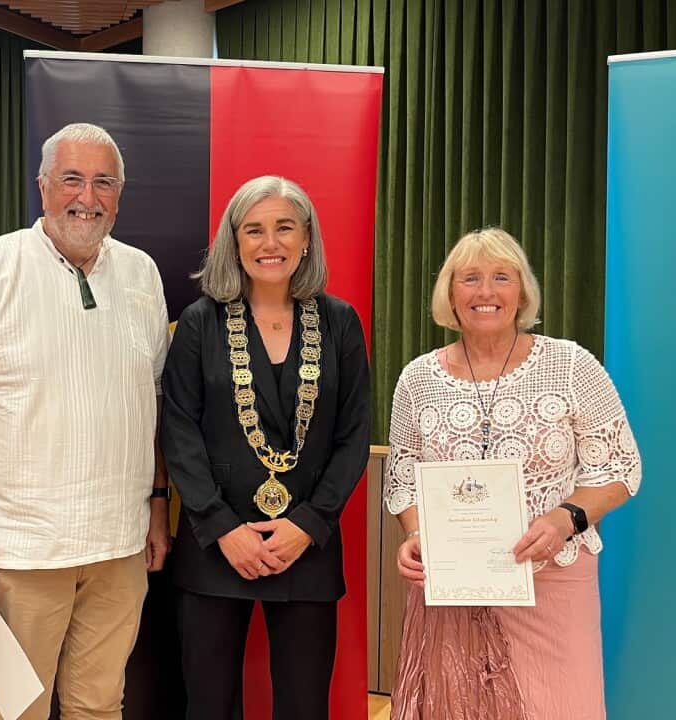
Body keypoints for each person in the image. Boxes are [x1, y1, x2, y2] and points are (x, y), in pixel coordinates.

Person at [0, 122, 171, 720]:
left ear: (120, 194)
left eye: (103, 182)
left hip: (120, 548)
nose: (87, 197)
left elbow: (153, 405)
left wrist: (158, 506)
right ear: (43, 187)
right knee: (14, 712)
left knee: (100, 707)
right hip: (19, 553)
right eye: (72, 180)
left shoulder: (143, 274)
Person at [385, 227, 642, 719]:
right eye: (471, 279)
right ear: (450, 294)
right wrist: (417, 535)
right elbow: (402, 480)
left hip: (552, 580)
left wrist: (565, 519)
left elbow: (620, 468)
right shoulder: (416, 379)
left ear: (522, 291)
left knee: (560, 706)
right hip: (454, 587)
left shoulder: (570, 365)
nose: (486, 292)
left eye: (502, 277)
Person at [160, 175, 370, 720]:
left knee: (305, 706)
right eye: (253, 230)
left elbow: (352, 436)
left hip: (307, 542)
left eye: (284, 228)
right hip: (214, 544)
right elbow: (178, 431)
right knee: (208, 705)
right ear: (234, 241)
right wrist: (220, 526)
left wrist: (310, 522)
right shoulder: (200, 323)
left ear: (306, 239)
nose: (269, 243)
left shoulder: (340, 322)